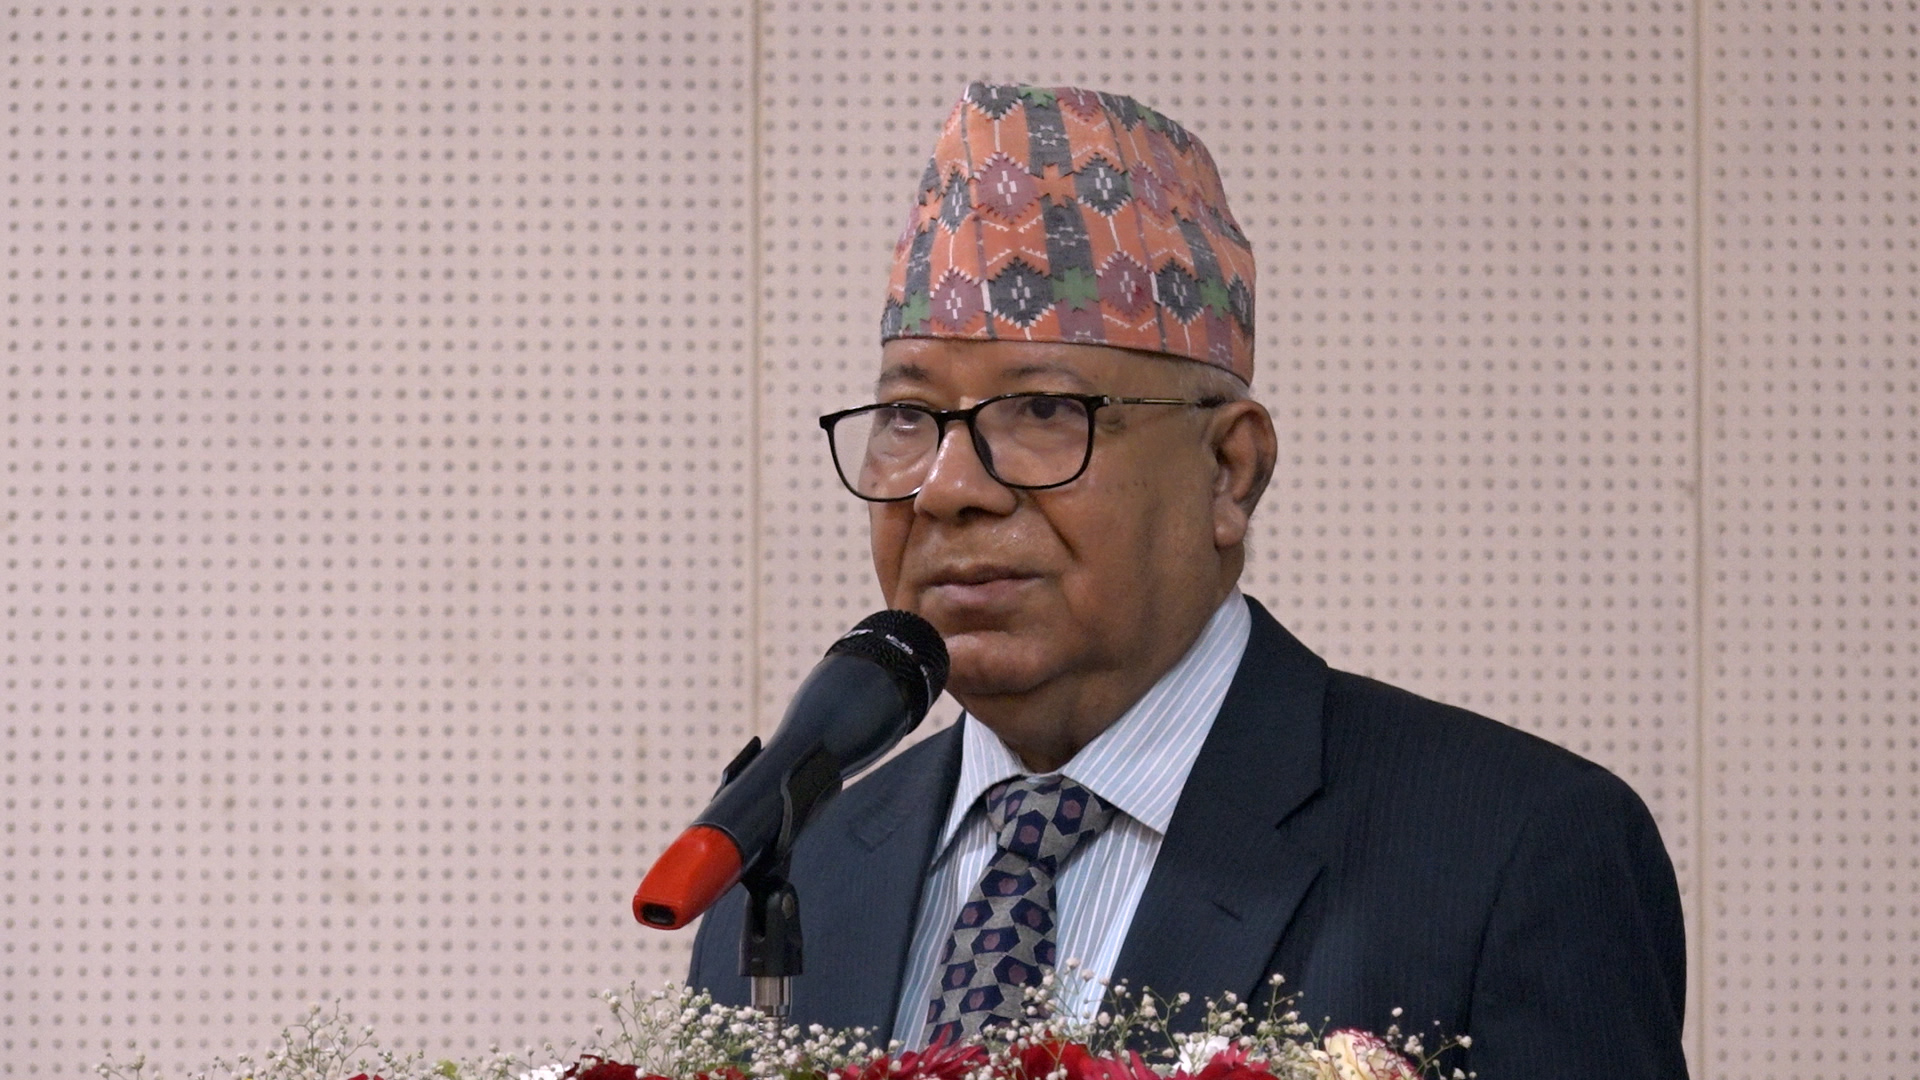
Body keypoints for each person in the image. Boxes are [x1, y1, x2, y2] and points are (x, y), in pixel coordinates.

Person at [690, 83, 1688, 1078]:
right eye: (909, 418)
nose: (948, 489)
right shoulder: (787, 879)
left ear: (1229, 471)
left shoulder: (1508, 853)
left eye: (1044, 411)